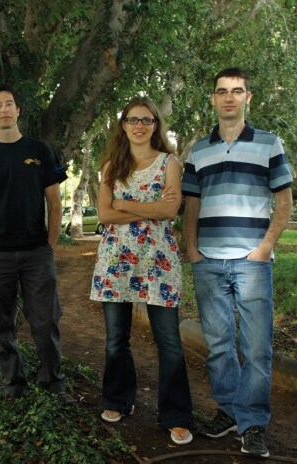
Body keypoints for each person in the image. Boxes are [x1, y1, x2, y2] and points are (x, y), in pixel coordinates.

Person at [182, 68, 293, 457]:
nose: (228, 97)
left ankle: (253, 424)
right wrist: (192, 249)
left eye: (237, 91)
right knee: (218, 345)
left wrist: (263, 248)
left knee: (257, 348)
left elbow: (284, 203)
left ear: (248, 97)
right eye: (221, 92)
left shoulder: (268, 143)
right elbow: (192, 204)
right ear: (213, 99)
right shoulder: (199, 149)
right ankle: (229, 411)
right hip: (208, 260)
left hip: (252, 261)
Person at [0, 83, 74, 404]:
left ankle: (53, 382)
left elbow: (55, 201)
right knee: (3, 324)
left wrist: (50, 245)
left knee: (46, 320)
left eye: (9, 103)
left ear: (18, 110)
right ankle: (13, 383)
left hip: (37, 253)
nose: (4, 109)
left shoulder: (40, 151)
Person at [90, 96, 193, 445]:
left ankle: (175, 415)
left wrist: (123, 204)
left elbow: (170, 210)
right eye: (133, 119)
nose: (139, 125)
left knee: (169, 342)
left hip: (158, 262)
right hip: (116, 260)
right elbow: (104, 215)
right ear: (123, 125)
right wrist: (148, 208)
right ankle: (119, 400)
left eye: (146, 120)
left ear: (155, 126)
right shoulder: (110, 166)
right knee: (116, 340)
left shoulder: (169, 163)